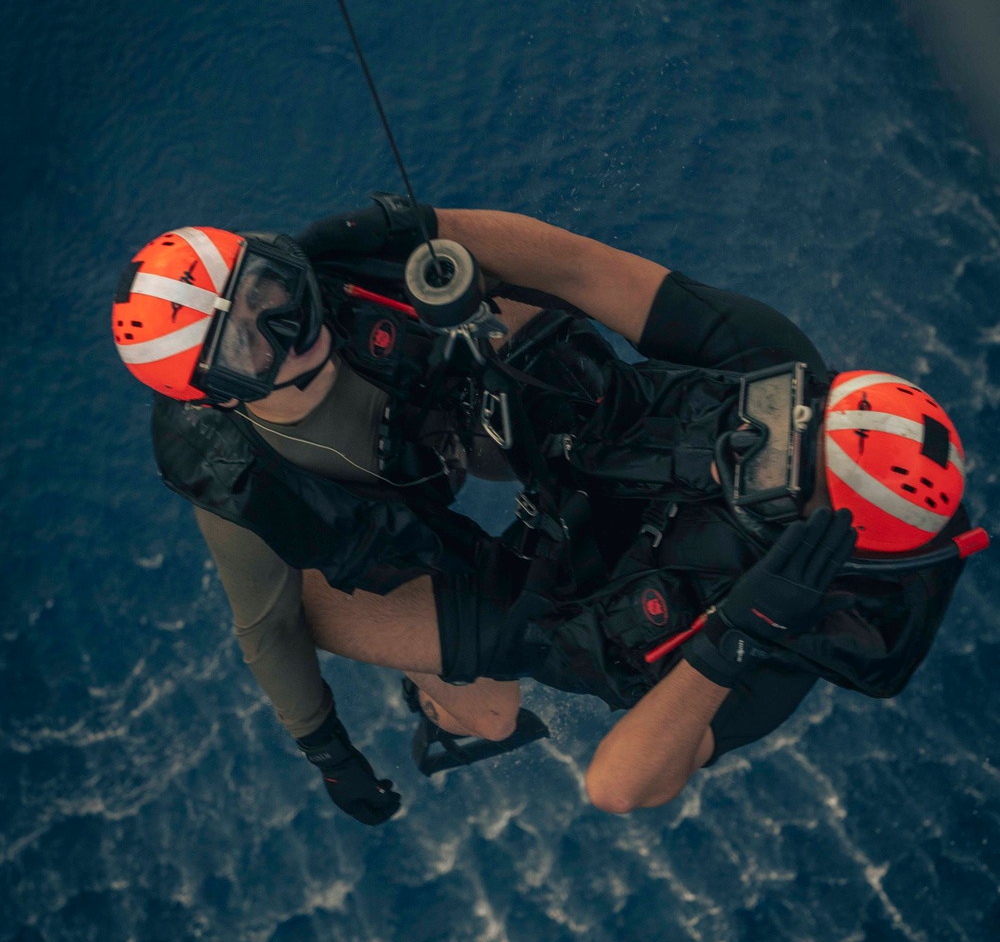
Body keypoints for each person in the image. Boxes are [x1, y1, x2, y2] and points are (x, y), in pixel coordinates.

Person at [113, 197, 981, 825]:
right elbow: (578, 267)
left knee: (485, 708)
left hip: (559, 601)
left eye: (786, 472)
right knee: (511, 311)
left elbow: (617, 783)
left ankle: (448, 705)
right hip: (574, 449)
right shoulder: (773, 356)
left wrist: (731, 641)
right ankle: (452, 517)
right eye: (791, 420)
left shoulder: (787, 639)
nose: (291, 324)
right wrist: (428, 230)